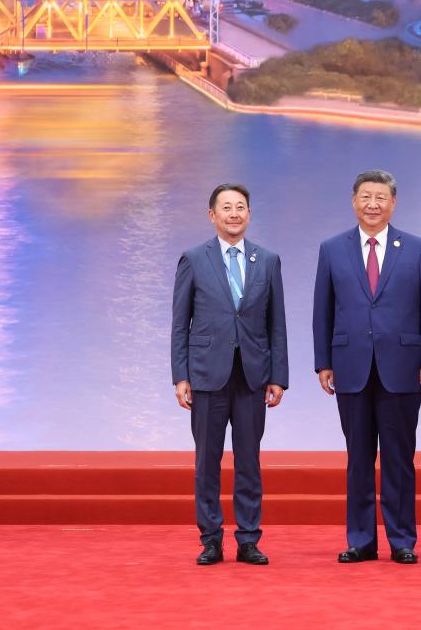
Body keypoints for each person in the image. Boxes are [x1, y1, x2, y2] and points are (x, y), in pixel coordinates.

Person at [313, 170, 421, 564]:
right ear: (354, 201)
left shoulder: (417, 249)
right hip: (349, 365)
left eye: (381, 197)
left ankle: (402, 540)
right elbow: (323, 311)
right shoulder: (332, 249)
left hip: (402, 366)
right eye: (366, 197)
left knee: (399, 458)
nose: (373, 204)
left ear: (393, 203)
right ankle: (361, 540)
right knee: (358, 458)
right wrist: (323, 362)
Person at [170, 183, 288, 566]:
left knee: (249, 461)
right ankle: (210, 539)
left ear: (249, 214)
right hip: (206, 374)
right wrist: (180, 375)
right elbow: (180, 323)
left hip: (253, 376)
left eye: (240, 207)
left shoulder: (267, 260)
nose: (234, 213)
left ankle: (249, 539)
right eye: (226, 207)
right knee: (207, 461)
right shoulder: (193, 259)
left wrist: (278, 376)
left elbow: (277, 325)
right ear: (212, 215)